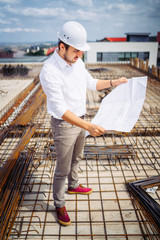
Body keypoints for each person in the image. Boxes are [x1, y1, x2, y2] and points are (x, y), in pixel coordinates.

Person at [40, 21, 127, 226]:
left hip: (80, 119)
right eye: (76, 51)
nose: (80, 55)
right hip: (64, 124)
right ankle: (59, 204)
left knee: (77, 157)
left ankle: (74, 185)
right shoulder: (49, 70)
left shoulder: (77, 63)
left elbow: (91, 83)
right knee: (62, 167)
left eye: (81, 51)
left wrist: (115, 82)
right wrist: (88, 126)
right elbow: (60, 109)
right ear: (62, 47)